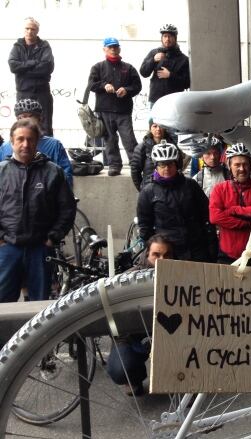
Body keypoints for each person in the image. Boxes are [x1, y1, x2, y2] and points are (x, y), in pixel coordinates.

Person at [0, 118, 76, 302]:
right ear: (12, 141)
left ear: (37, 142)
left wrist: (52, 238)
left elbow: (67, 209)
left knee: (38, 305)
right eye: (20, 139)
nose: (25, 144)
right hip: (7, 248)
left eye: (30, 139)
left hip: (40, 250)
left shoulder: (53, 172)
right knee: (3, 304)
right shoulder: (1, 172)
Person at [106, 234, 174, 396]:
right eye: (156, 255)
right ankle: (134, 377)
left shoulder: (178, 276)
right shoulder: (128, 279)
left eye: (166, 255)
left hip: (168, 336)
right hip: (132, 337)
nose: (161, 260)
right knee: (120, 370)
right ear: (147, 254)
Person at [136, 141, 213, 262]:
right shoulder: (148, 192)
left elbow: (206, 213)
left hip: (195, 248)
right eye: (162, 165)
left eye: (170, 164)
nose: (167, 168)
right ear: (156, 166)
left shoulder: (190, 185)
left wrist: (209, 243)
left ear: (176, 165)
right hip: (168, 252)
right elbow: (145, 227)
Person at [88, 37, 142, 176]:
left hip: (123, 111)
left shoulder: (128, 68)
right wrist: (103, 85)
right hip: (104, 111)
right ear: (104, 49)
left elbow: (137, 86)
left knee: (129, 140)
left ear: (119, 48)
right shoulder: (97, 67)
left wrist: (127, 90)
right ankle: (114, 165)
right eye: (110, 47)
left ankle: (137, 165)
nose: (113, 49)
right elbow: (91, 85)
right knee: (110, 141)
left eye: (115, 47)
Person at [209, 144, 251, 264]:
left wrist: (234, 210)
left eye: (245, 164)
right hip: (226, 254)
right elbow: (215, 217)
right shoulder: (219, 189)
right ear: (229, 166)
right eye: (237, 165)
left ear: (250, 165)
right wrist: (245, 223)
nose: (242, 168)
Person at [0, 99, 72, 187]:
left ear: (39, 119)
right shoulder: (5, 148)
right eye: (21, 117)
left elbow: (66, 177)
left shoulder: (54, 145)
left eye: (30, 116)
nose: (25, 120)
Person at [8, 17, 55, 137]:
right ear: (24, 30)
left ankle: (46, 154)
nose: (29, 31)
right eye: (27, 28)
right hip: (24, 92)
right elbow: (13, 66)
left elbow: (47, 67)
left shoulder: (44, 46)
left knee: (45, 126)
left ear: (37, 31)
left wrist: (23, 69)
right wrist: (33, 63)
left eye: (33, 29)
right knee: (23, 126)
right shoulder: (17, 46)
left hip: (42, 93)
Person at [139, 24, 190, 107]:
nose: (167, 39)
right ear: (161, 38)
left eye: (170, 36)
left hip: (175, 102)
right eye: (165, 36)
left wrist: (170, 75)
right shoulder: (154, 53)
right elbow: (143, 72)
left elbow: (187, 83)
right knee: (155, 120)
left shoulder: (183, 59)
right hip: (156, 100)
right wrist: (153, 60)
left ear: (175, 38)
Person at [130, 120, 178, 191]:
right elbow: (135, 171)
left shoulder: (172, 145)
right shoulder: (142, 147)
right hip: (150, 188)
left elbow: (179, 165)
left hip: (171, 188)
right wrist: (143, 189)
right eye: (155, 126)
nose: (158, 129)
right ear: (150, 128)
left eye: (161, 126)